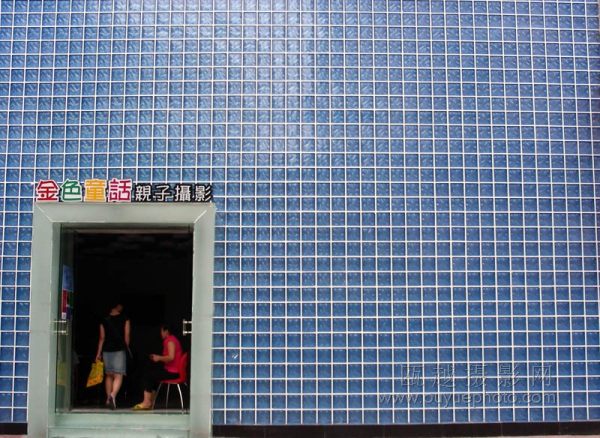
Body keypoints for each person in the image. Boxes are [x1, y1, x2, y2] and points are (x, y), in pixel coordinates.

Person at [132, 323, 183, 410]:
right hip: (171, 370)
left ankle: (146, 402)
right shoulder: (172, 339)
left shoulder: (170, 341)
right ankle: (150, 401)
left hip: (173, 372)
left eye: (161, 331)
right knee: (153, 373)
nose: (161, 333)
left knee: (147, 376)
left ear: (166, 331)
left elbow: (171, 357)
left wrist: (159, 358)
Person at [95, 300, 130, 410]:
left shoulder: (104, 319)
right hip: (119, 350)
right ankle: (113, 395)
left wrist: (98, 353)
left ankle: (107, 399)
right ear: (117, 306)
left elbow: (102, 338)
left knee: (109, 375)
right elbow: (127, 335)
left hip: (107, 350)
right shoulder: (125, 319)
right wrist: (126, 348)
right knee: (118, 375)